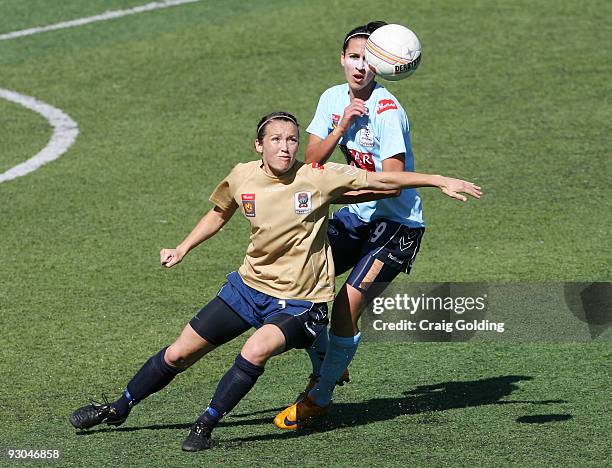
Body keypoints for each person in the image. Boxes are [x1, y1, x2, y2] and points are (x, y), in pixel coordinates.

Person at [69, 111, 479, 451]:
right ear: (258, 145)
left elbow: (383, 181)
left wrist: (438, 179)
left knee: (256, 347)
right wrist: (182, 247)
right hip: (247, 288)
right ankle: (119, 407)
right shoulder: (242, 176)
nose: (286, 147)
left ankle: (206, 424)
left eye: (292, 140)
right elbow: (219, 212)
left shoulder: (317, 177)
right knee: (179, 353)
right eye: (277, 139)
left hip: (301, 302)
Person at [274, 21, 466, 429]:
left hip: (397, 227)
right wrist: (341, 124)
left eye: (369, 58)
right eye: (354, 56)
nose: (360, 66)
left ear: (381, 64)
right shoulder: (331, 99)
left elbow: (392, 184)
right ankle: (329, 362)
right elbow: (311, 159)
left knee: (346, 305)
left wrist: (339, 193)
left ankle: (319, 396)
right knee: (301, 284)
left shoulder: (387, 111)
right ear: (342, 59)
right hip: (356, 218)